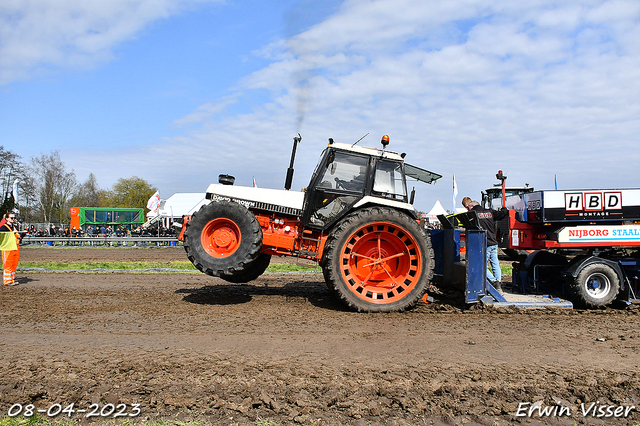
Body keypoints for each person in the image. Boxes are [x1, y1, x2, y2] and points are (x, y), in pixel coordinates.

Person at [461, 196, 508, 292]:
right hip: (493, 242)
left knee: (482, 266)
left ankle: (495, 282)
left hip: (484, 243)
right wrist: (504, 209)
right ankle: (498, 285)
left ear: (471, 206)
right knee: (495, 264)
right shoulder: (490, 212)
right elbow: (503, 214)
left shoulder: (472, 214)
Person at [0, 212, 22, 286]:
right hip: (8, 249)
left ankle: (11, 279)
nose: (13, 219)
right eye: (11, 218)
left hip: (15, 248)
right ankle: (7, 281)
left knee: (14, 265)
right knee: (8, 265)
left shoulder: (15, 227)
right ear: (7, 219)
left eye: (14, 218)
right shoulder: (3, 228)